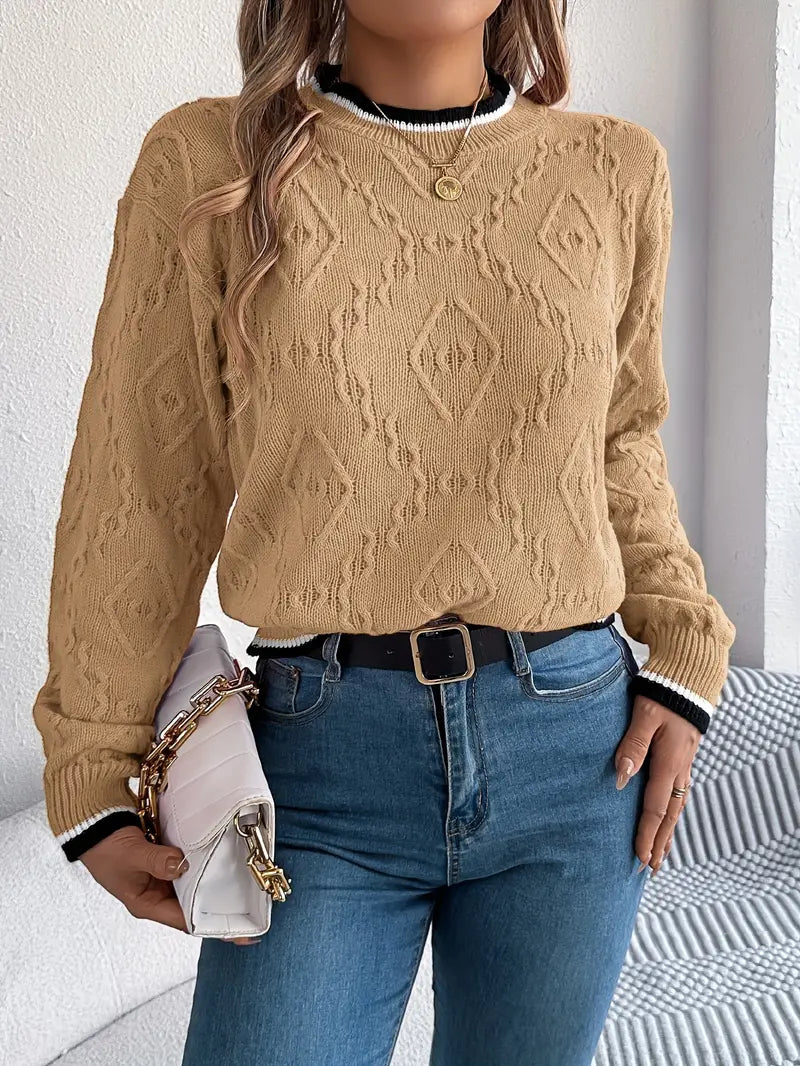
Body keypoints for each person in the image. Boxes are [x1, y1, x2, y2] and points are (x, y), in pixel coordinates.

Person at [31, 2, 737, 1063]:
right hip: (320, 762)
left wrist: (683, 644)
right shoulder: (211, 162)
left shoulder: (613, 168)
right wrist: (93, 762)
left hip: (574, 751)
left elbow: (619, 438)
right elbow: (140, 481)